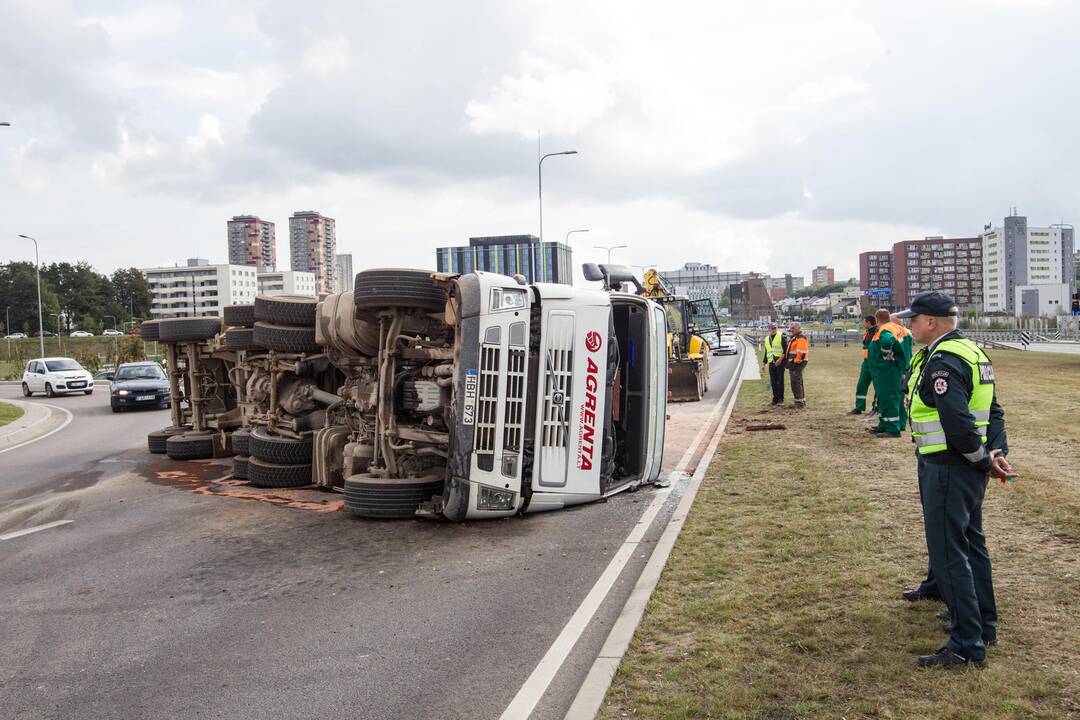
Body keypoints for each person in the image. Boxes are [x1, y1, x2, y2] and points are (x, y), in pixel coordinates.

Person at [895, 291, 1016, 668]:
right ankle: (983, 624)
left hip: (949, 466)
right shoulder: (973, 352)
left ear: (931, 322)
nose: (908, 325)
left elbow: (959, 424)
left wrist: (983, 460)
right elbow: (993, 410)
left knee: (950, 553)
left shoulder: (944, 361)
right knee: (971, 544)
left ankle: (967, 645)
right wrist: (996, 452)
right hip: (964, 467)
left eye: (912, 319)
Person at [866, 308, 910, 437]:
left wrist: (886, 354)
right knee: (889, 397)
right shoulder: (897, 327)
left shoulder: (885, 329)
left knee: (888, 398)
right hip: (893, 369)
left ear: (877, 319)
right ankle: (885, 425)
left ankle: (892, 429)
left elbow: (886, 341)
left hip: (886, 370)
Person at [849, 315, 877, 415]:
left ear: (869, 322)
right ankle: (859, 407)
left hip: (875, 362)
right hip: (866, 363)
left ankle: (876, 408)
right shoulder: (867, 332)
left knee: (878, 387)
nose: (863, 324)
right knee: (861, 385)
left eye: (864, 322)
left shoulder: (878, 332)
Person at [761, 322, 787, 405]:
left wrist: (780, 359)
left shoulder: (781, 337)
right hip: (771, 363)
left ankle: (780, 399)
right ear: (768, 329)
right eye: (771, 328)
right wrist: (764, 364)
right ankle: (775, 398)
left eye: (775, 328)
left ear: (777, 328)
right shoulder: (766, 339)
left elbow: (786, 350)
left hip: (780, 362)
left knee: (780, 381)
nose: (773, 330)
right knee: (773, 381)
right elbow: (767, 352)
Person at [785, 321, 809, 407]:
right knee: (797, 381)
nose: (791, 330)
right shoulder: (795, 337)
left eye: (793, 328)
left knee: (795, 382)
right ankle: (800, 400)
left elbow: (801, 352)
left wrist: (795, 362)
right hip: (794, 363)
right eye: (791, 328)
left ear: (798, 328)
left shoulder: (801, 338)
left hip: (797, 363)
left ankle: (799, 402)